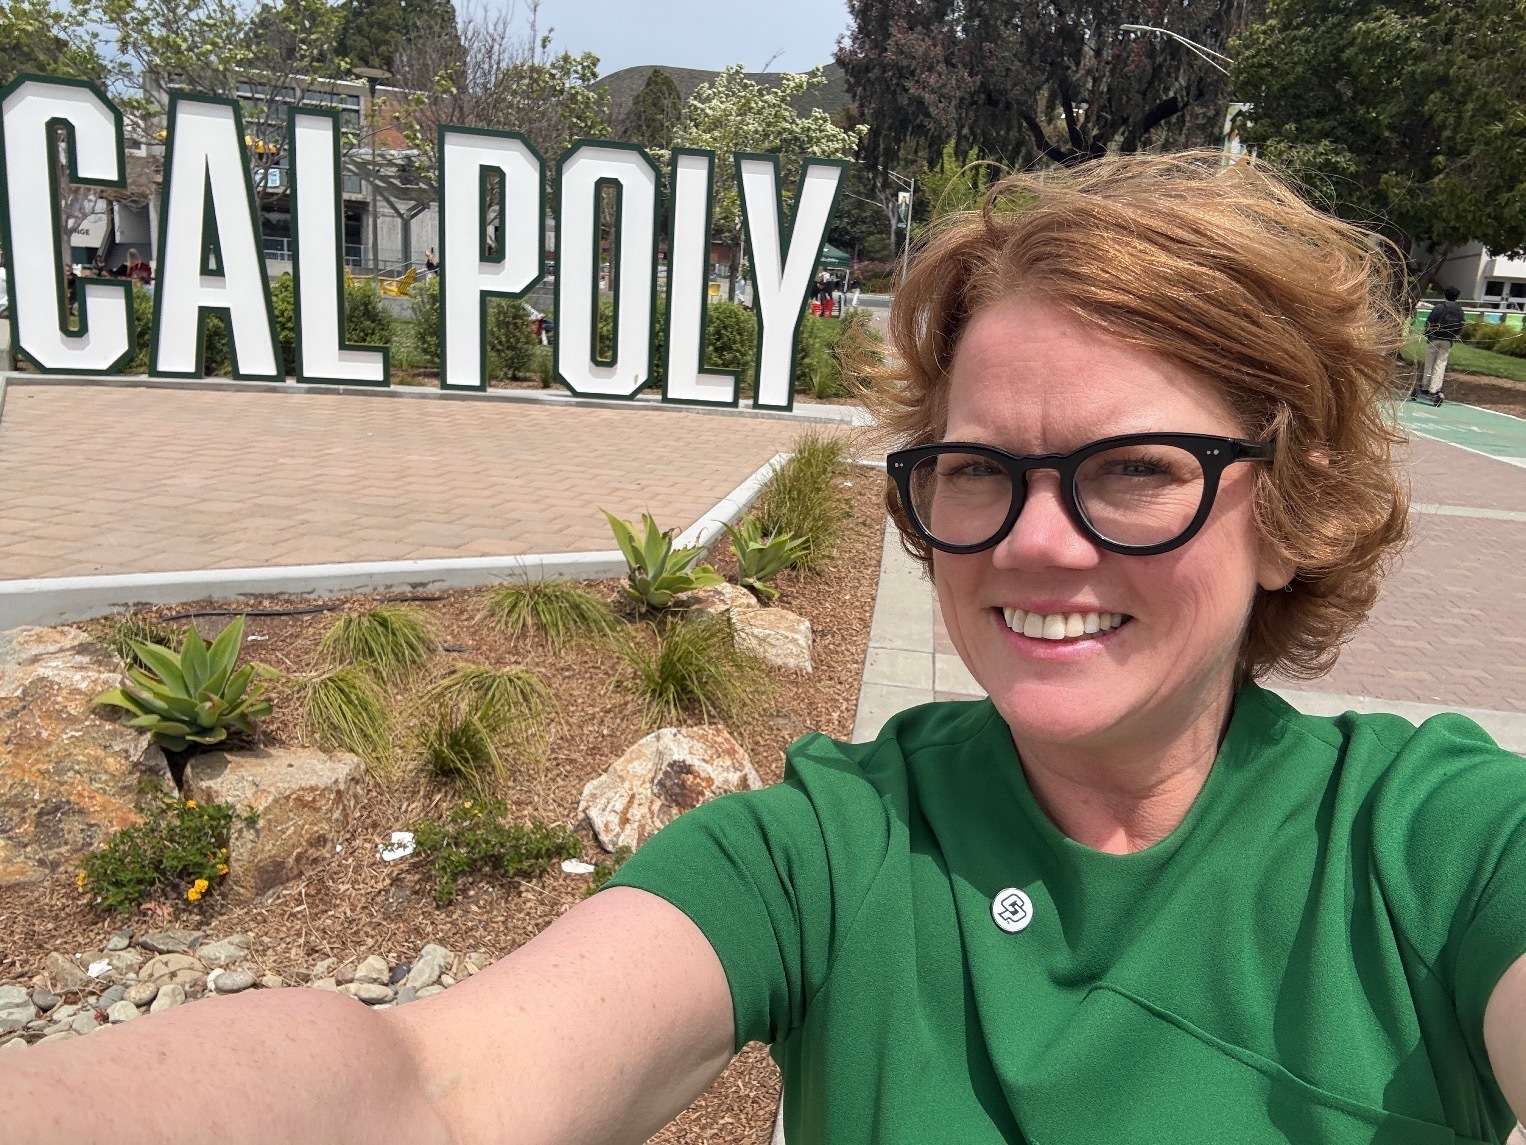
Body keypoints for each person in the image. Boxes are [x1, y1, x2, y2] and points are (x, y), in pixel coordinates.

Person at [7, 153, 1526, 1145]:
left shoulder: (1434, 846)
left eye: (1134, 471)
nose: (1036, 544)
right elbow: (435, 1089)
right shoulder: (832, 851)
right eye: (980, 468)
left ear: (1290, 504)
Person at [1413, 285, 1465, 406]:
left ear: (1445, 295)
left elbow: (1429, 321)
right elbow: (1461, 325)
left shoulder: (1439, 308)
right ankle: (1435, 389)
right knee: (1440, 364)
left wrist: (1427, 333)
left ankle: (1425, 386)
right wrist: (1454, 336)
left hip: (1434, 338)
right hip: (1447, 340)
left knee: (1429, 363)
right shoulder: (1459, 310)